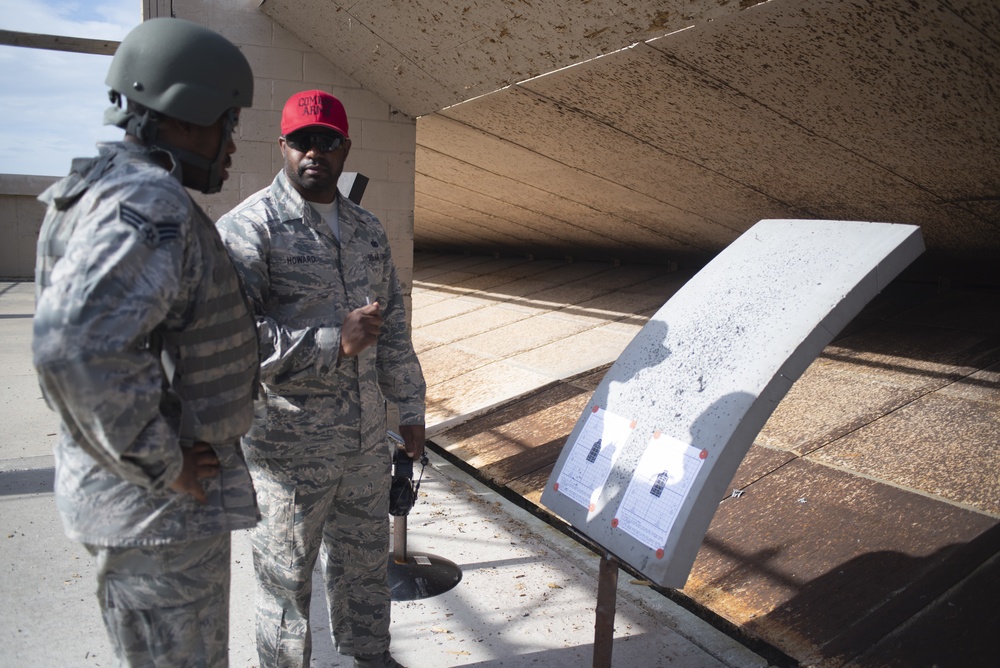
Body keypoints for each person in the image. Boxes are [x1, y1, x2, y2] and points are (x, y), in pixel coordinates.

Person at [32, 18, 260, 667]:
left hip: (136, 508)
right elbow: (76, 346)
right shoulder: (150, 204)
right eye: (227, 122)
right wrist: (165, 463)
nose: (232, 144)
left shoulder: (98, 188)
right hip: (158, 518)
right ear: (187, 115)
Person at [215, 90, 426, 668]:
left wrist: (410, 407)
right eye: (303, 140)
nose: (315, 151)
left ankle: (370, 655)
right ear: (282, 146)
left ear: (344, 148)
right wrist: (336, 342)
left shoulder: (367, 230)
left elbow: (396, 325)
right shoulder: (247, 230)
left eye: (327, 140)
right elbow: (234, 341)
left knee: (363, 567)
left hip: (362, 445)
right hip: (288, 454)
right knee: (286, 588)